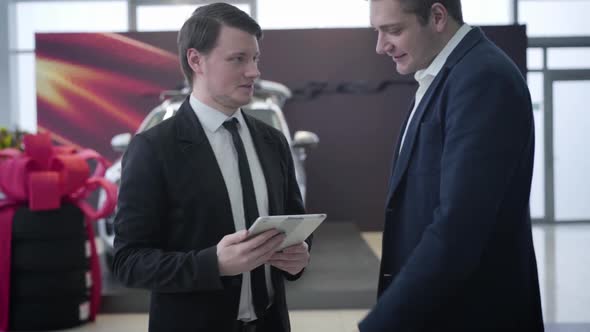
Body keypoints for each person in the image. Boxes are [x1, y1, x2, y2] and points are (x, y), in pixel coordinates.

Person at [112, 3, 311, 332]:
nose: (254, 72)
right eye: (238, 59)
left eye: (255, 58)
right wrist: (213, 264)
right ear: (196, 60)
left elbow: (292, 222)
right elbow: (129, 261)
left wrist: (299, 258)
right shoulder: (153, 148)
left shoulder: (273, 141)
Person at [358, 0, 544, 331]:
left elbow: (460, 225)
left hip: (474, 313)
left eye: (394, 30)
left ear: (438, 16)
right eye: (377, 32)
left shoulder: (482, 79)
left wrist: (382, 322)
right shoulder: (443, 75)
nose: (380, 46)